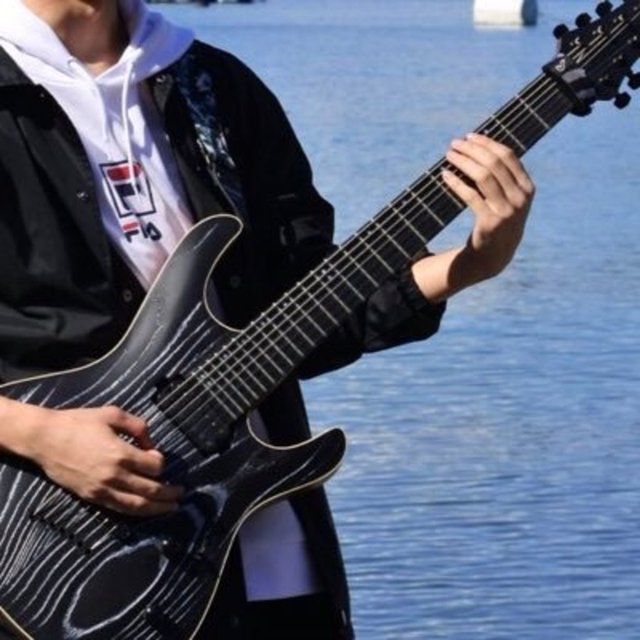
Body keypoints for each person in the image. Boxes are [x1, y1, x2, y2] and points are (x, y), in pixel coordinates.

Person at [0, 0, 535, 638]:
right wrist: (37, 434)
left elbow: (303, 313)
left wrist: (472, 264)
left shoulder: (213, 86)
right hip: (48, 556)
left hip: (266, 554)